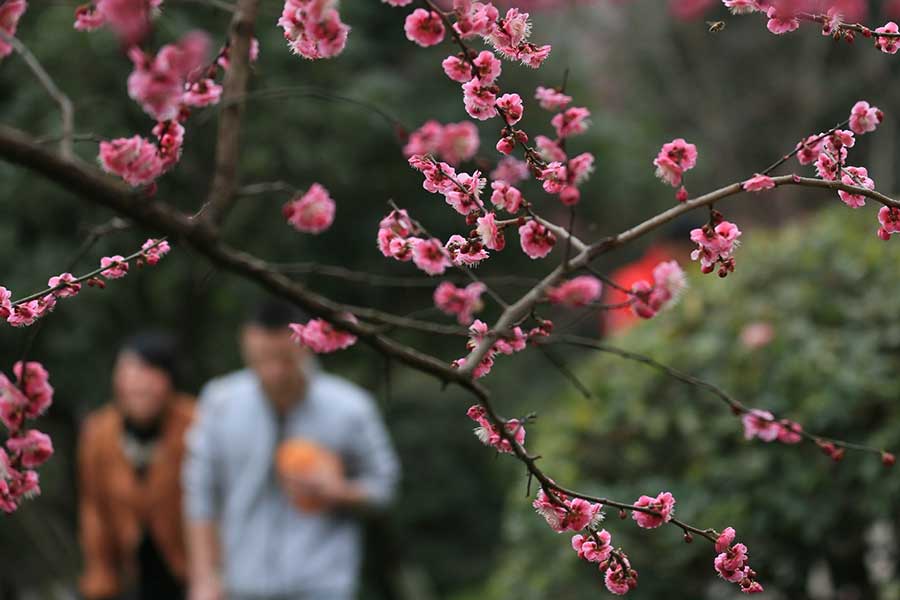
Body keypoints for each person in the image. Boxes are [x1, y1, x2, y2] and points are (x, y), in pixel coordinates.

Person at [183, 301, 400, 600]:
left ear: (308, 344)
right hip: (242, 583)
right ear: (246, 344)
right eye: (261, 358)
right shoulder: (219, 403)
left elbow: (384, 488)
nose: (273, 371)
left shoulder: (350, 408)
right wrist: (204, 578)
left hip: (322, 583)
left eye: (284, 359)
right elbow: (200, 496)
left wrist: (338, 491)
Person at [78, 332, 195, 600]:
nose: (138, 383)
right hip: (132, 575)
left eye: (149, 373)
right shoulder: (98, 433)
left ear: (170, 379)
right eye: (129, 372)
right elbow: (94, 510)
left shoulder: (197, 424)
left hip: (189, 571)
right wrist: (100, 577)